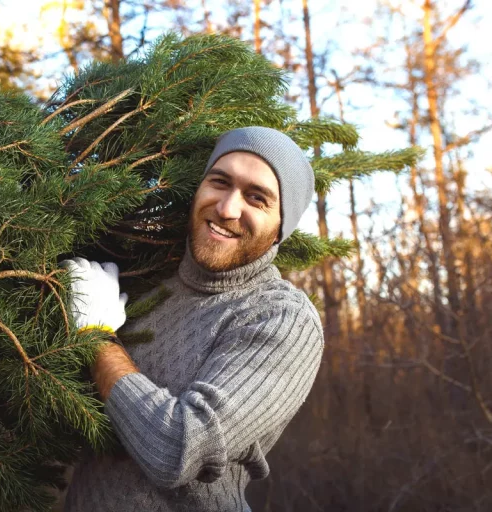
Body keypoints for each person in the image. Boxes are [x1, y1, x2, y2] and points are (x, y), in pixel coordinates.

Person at [61, 126, 324, 512]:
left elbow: (178, 450)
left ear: (280, 230)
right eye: (220, 182)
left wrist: (97, 338)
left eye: (257, 198)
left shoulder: (280, 318)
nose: (227, 208)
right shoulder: (145, 278)